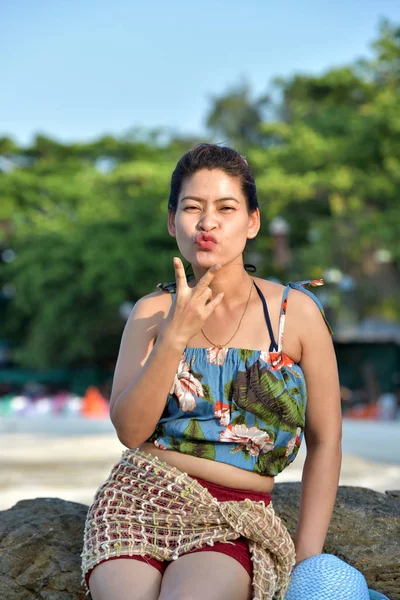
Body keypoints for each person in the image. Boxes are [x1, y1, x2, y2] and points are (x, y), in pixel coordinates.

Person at [80, 144, 386, 600]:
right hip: (137, 500)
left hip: (234, 514)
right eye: (191, 208)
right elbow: (130, 430)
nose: (208, 222)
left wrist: (307, 556)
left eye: (226, 207)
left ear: (252, 222)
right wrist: (173, 338)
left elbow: (326, 439)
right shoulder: (151, 313)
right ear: (172, 222)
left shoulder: (294, 314)